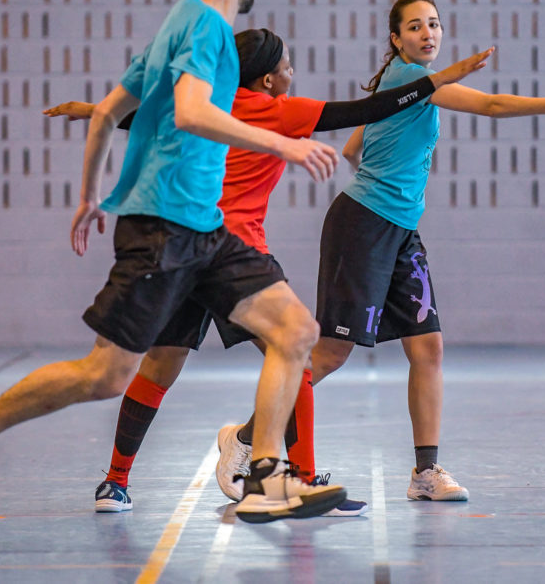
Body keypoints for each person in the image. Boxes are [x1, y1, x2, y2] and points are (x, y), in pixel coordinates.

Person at [0, 0, 348, 525]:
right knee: (104, 374)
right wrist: (283, 142)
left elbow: (104, 113)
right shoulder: (206, 27)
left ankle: (265, 473)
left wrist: (87, 195)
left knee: (295, 330)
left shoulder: (176, 21)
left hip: (203, 228)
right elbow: (190, 112)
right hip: (162, 230)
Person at [45, 30, 493, 517]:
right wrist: (437, 82)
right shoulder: (283, 111)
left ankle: (115, 482)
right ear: (268, 79)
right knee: (294, 357)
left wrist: (94, 111)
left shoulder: (207, 105)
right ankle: (299, 478)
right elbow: (367, 110)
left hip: (187, 248)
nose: (292, 72)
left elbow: (147, 119)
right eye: (287, 65)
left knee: (157, 370)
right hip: (238, 260)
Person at [308, 0, 545, 501]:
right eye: (416, 27)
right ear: (397, 39)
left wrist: (390, 184)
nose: (429, 34)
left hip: (399, 229)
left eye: (435, 24)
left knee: (428, 347)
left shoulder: (394, 86)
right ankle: (252, 442)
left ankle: (426, 473)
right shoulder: (408, 80)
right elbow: (489, 105)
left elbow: (353, 148)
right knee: (332, 353)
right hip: (363, 225)